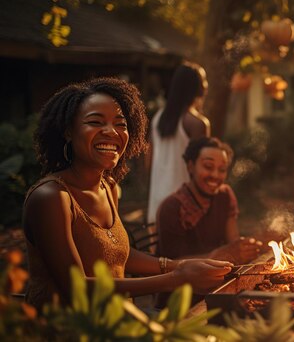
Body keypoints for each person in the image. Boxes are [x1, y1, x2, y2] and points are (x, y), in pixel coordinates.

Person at [23, 77, 231, 311]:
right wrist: (179, 278)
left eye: (120, 124)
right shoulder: (51, 197)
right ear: (69, 131)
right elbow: (75, 287)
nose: (111, 132)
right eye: (95, 121)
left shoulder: (108, 187)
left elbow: (116, 254)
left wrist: (178, 265)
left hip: (117, 322)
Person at [155, 137, 260, 306]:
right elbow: (171, 266)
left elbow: (233, 242)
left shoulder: (225, 195)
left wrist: (244, 249)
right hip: (179, 298)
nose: (215, 175)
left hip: (217, 287)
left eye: (222, 169)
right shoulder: (172, 207)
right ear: (190, 166)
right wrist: (222, 254)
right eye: (208, 167)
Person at [147, 61, 211, 228]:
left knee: (158, 254)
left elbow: (148, 161)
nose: (206, 85)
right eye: (203, 80)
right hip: (184, 206)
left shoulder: (158, 118)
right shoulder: (197, 123)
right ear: (197, 87)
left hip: (157, 201)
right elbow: (203, 169)